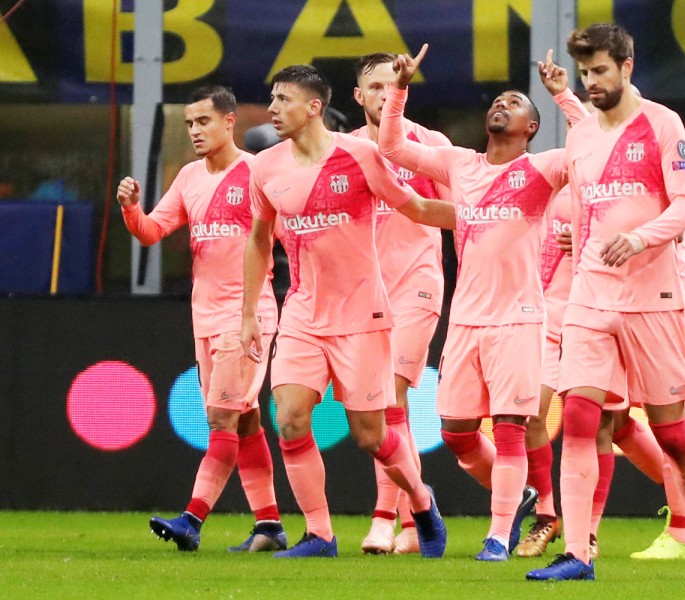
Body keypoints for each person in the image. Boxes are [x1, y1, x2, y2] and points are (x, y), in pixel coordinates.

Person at [525, 23, 685, 582]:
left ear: (627, 66)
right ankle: (578, 555)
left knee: (671, 434)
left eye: (600, 71)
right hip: (591, 295)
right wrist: (577, 240)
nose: (592, 82)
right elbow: (588, 208)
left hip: (653, 298)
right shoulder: (583, 138)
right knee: (583, 420)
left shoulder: (663, 124)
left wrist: (639, 238)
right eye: (585, 73)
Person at [379, 45, 588, 562]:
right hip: (466, 322)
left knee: (512, 427)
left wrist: (562, 94)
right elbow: (393, 147)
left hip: (518, 320)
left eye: (515, 102)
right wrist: (400, 90)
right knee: (456, 435)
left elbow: (593, 146)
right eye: (498, 99)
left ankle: (497, 536)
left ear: (531, 128)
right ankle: (518, 497)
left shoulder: (541, 171)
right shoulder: (461, 166)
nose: (502, 104)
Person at [241, 64, 451, 559]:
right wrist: (250, 312)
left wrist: (484, 218)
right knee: (290, 417)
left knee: (371, 435)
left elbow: (415, 207)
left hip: (363, 314)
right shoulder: (266, 166)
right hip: (302, 313)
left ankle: (421, 503)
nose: (271, 109)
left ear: (314, 108)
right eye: (271, 99)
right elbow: (257, 239)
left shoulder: (359, 155)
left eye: (282, 100)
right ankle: (320, 535)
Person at [116, 85, 287, 553]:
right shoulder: (190, 177)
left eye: (203, 122)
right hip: (205, 316)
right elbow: (152, 232)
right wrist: (131, 209)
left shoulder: (257, 172)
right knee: (245, 421)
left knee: (220, 416)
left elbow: (290, 234)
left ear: (229, 121)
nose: (194, 130)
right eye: (189, 123)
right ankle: (270, 527)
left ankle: (192, 520)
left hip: (247, 315)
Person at [350, 52, 452, 555]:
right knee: (388, 411)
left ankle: (382, 518)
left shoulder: (429, 145)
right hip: (365, 295)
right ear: (358, 95)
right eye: (374, 87)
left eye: (394, 86)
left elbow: (465, 210)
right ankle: (417, 517)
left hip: (417, 285)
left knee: (388, 399)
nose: (384, 94)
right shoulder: (342, 152)